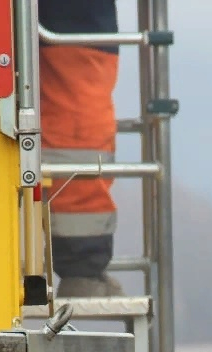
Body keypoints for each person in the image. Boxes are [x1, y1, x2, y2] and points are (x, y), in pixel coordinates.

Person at [38, 0, 124, 298]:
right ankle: (81, 264)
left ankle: (83, 263)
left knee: (75, 106)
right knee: (76, 110)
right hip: (77, 27)